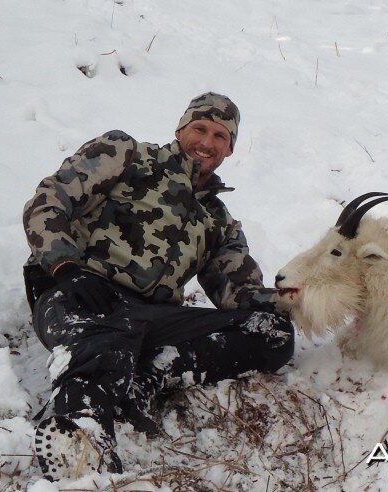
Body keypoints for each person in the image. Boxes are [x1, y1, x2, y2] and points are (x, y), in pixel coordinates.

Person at [22, 92, 294, 481]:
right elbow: (49, 200)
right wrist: (66, 266)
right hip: (82, 292)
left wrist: (296, 299)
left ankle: (149, 374)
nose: (207, 142)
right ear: (180, 130)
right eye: (200, 128)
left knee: (271, 333)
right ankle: (81, 436)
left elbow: (238, 294)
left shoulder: (219, 221)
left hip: (152, 318)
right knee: (105, 339)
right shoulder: (126, 155)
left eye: (220, 136)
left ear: (229, 149)